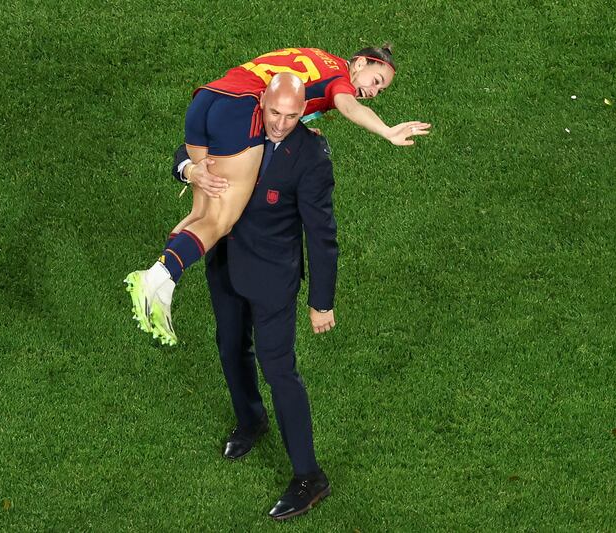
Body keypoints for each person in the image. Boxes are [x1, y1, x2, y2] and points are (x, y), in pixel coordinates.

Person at [126, 45, 430, 345]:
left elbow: (286, 95)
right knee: (222, 221)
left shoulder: (318, 57)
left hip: (208, 99)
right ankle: (152, 279)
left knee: (200, 213)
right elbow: (348, 105)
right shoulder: (339, 78)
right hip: (243, 109)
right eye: (376, 82)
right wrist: (387, 130)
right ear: (360, 63)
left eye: (381, 90)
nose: (374, 93)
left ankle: (162, 290)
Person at [172, 73, 336, 520]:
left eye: (292, 115)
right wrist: (190, 170)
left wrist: (321, 301)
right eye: (275, 112)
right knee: (229, 346)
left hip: (272, 277)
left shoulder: (311, 155)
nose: (280, 124)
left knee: (280, 371)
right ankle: (250, 420)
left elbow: (322, 235)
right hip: (224, 263)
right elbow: (184, 152)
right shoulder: (238, 125)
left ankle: (309, 476)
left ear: (306, 111)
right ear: (261, 100)